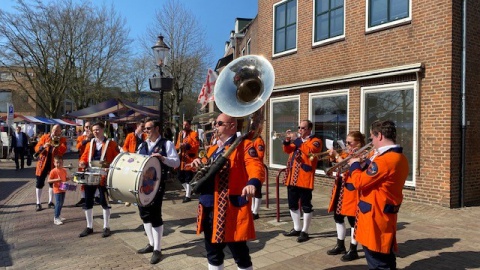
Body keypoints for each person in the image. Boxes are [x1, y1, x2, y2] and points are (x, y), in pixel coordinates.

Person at [190, 113, 265, 270]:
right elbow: (207, 167)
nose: (215, 126)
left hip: (229, 209)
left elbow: (255, 165)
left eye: (219, 123)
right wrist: (198, 163)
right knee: (213, 253)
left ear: (232, 126)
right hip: (209, 206)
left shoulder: (244, 145)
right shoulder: (213, 148)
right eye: (215, 123)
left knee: (240, 254)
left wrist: (253, 182)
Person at [347, 120, 409, 269]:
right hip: (384, 213)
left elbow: (359, 182)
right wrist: (366, 163)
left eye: (371, 138)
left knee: (377, 261)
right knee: (386, 257)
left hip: (375, 217)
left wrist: (354, 165)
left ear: (379, 136)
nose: (371, 142)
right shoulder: (398, 157)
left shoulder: (385, 160)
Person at [135, 119, 179, 265]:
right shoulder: (142, 144)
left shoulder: (166, 144)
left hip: (157, 184)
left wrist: (163, 158)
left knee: (155, 215)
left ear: (157, 128)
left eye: (148, 128)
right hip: (142, 186)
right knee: (144, 214)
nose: (146, 131)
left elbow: (176, 162)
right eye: (144, 129)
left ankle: (157, 249)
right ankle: (151, 243)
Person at [326, 131, 366, 261]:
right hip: (341, 188)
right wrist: (332, 157)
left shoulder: (363, 155)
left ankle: (353, 249)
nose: (347, 145)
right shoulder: (348, 154)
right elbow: (338, 166)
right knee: (338, 216)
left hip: (352, 191)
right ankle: (340, 244)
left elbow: (348, 165)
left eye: (350, 143)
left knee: (352, 220)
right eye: (346, 142)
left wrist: (337, 156)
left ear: (358, 143)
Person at [282, 120, 322, 243]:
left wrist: (297, 140)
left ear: (310, 129)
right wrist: (287, 141)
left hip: (305, 178)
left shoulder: (316, 141)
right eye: (299, 127)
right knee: (292, 204)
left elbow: (310, 152)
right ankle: (297, 228)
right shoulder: (299, 141)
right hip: (292, 177)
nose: (300, 130)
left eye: (303, 128)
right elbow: (287, 150)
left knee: (306, 206)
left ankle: (305, 231)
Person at [78, 122, 120, 238]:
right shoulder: (89, 143)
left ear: (102, 130)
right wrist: (82, 162)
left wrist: (110, 169)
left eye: (97, 129)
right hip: (90, 174)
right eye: (94, 130)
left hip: (103, 176)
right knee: (88, 200)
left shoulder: (111, 143)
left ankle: (106, 226)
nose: (95, 132)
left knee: (104, 201)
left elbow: (117, 158)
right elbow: (84, 157)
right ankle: (89, 226)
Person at [34, 124, 68, 211]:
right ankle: (38, 203)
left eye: (57, 131)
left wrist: (58, 145)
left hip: (54, 164)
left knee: (52, 184)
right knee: (39, 183)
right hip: (42, 164)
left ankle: (50, 202)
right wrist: (44, 146)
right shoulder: (45, 137)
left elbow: (63, 151)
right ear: (51, 130)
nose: (55, 132)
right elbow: (37, 148)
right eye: (54, 130)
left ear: (60, 132)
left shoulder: (62, 139)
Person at [175, 120, 200, 203]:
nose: (185, 126)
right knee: (179, 176)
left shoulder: (194, 134)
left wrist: (187, 145)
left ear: (190, 125)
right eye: (184, 124)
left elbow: (196, 145)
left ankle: (188, 195)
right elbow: (177, 145)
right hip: (181, 159)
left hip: (190, 159)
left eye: (186, 124)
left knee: (188, 177)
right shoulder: (180, 134)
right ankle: (188, 190)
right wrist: (179, 146)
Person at [74, 121, 93, 207]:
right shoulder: (81, 137)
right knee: (82, 180)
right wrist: (86, 140)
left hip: (92, 161)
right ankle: (83, 197)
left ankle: (95, 197)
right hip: (83, 161)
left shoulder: (95, 137)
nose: (88, 129)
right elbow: (77, 147)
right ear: (84, 128)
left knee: (93, 179)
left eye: (89, 127)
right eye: (86, 127)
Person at [47, 155, 70, 225]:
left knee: (61, 203)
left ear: (62, 163)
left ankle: (58, 215)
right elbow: (49, 181)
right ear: (54, 163)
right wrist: (57, 179)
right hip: (57, 189)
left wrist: (69, 178)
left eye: (60, 162)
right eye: (57, 162)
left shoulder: (64, 170)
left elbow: (65, 179)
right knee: (58, 203)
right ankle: (56, 218)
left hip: (63, 188)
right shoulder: (53, 171)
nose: (59, 164)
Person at [249, 132, 265, 220]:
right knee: (253, 192)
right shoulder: (251, 140)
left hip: (257, 168)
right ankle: (252, 209)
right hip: (252, 168)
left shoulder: (258, 141)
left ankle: (256, 212)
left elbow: (260, 155)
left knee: (257, 191)